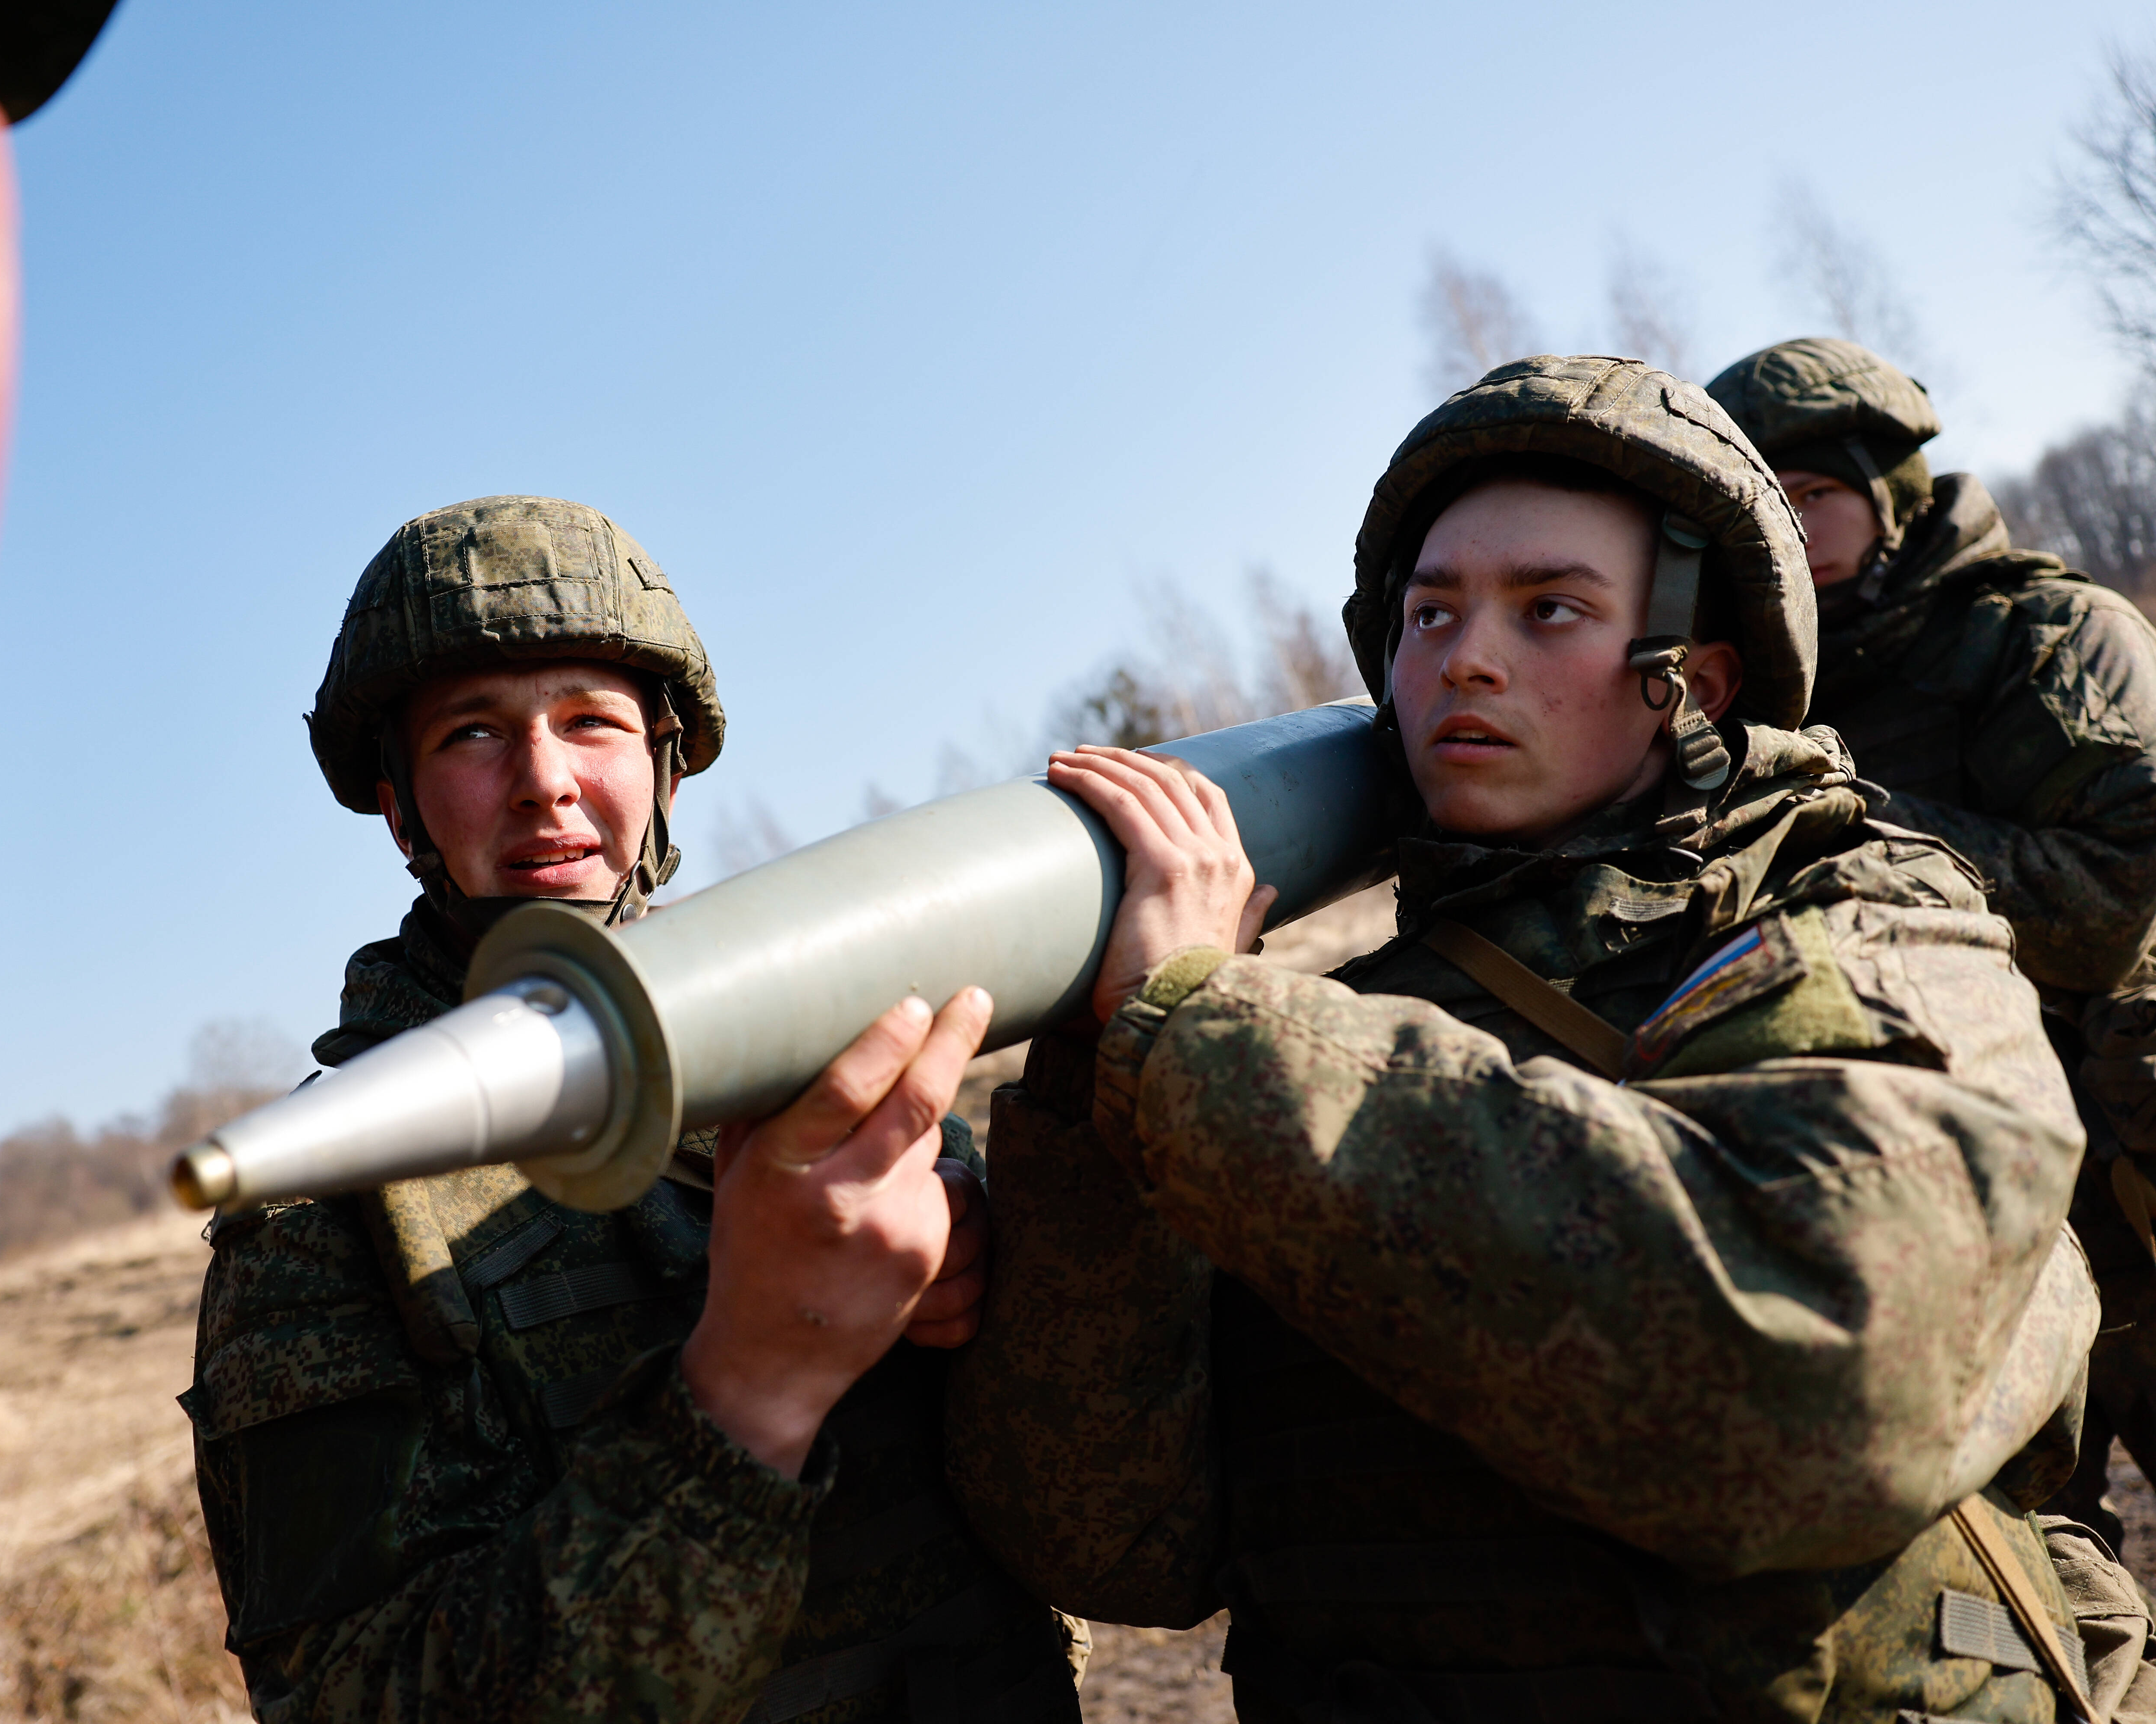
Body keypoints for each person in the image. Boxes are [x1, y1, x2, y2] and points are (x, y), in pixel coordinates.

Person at [945, 358, 2122, 1722]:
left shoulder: (1868, 915)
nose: (1466, 657)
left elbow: (1821, 1384)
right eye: (1428, 613)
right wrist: (1101, 1088)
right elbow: (1111, 1542)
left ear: (1695, 677)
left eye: (1549, 608)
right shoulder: (1306, 1021)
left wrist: (1206, 1037)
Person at [181, 496, 1082, 1723]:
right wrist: (749, 1389)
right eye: (472, 736)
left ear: (663, 767)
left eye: (590, 723)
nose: (545, 784)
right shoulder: (324, 1213)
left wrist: (996, 1277)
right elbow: (352, 1699)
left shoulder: (840, 1043)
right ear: (400, 806)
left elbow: (1102, 1530)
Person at [1707, 337, 2156, 1554]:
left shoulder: (2050, 636)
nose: (1794, 530)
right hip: (1949, 1194)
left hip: (2129, 1157)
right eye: (1766, 505)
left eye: (1816, 495)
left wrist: (1844, 817)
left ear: (1890, 491)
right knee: (2030, 1578)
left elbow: (2111, 905)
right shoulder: (1752, 705)